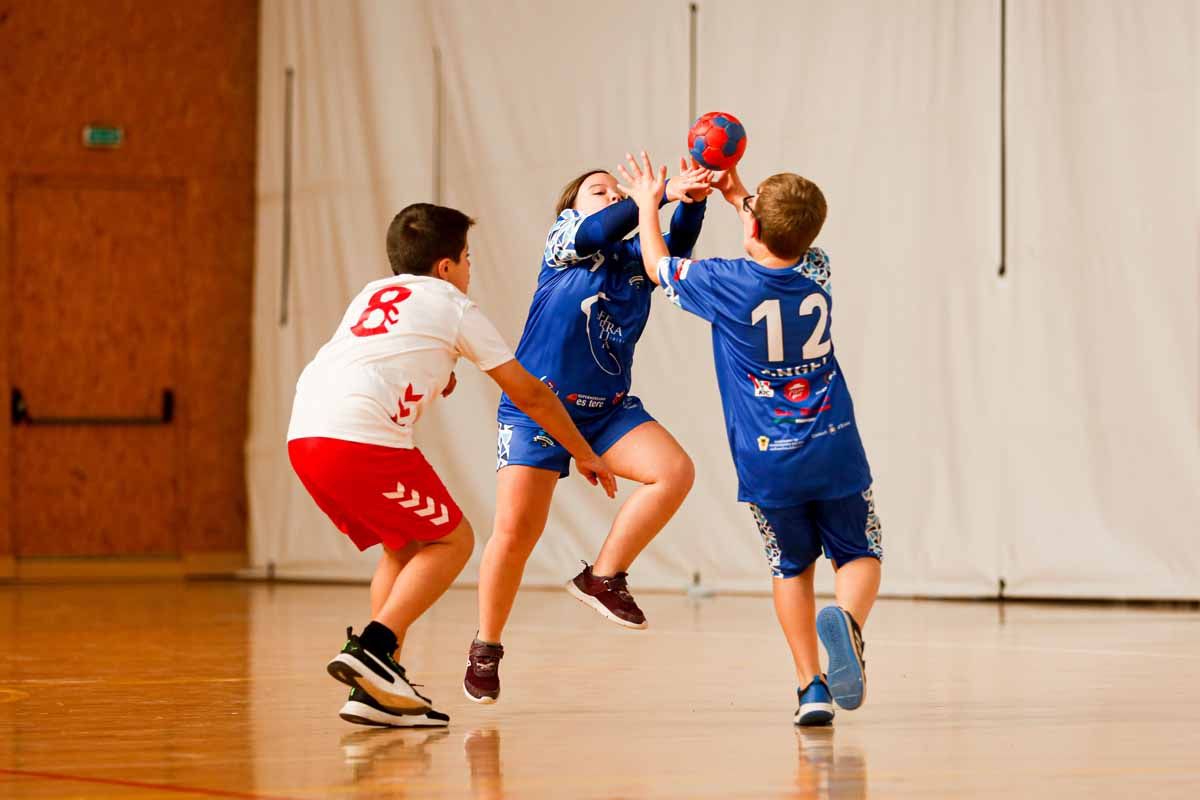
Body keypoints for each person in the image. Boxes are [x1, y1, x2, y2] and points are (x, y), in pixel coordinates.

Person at [287, 203, 617, 727]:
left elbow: (384, 353)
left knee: (403, 545)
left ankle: (377, 691)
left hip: (306, 435)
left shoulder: (372, 294)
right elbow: (530, 393)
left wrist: (439, 372)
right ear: (445, 267)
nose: (469, 269)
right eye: (467, 258)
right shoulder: (454, 305)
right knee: (454, 540)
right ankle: (373, 648)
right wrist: (583, 451)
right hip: (360, 439)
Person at [621, 153, 882, 726]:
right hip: (835, 445)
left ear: (754, 227)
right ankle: (849, 622)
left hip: (768, 462)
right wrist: (739, 191)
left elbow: (658, 263)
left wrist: (647, 203)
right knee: (860, 553)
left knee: (790, 568)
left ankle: (810, 687)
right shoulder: (818, 267)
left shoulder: (724, 282)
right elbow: (776, 232)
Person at [463, 159, 712, 704]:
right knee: (515, 535)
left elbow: (677, 248)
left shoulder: (634, 258)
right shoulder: (565, 243)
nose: (612, 195)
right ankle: (487, 645)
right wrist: (659, 191)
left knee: (674, 473)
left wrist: (692, 198)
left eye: (616, 191)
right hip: (539, 408)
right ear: (571, 209)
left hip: (606, 410)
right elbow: (601, 227)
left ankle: (604, 577)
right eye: (597, 190)